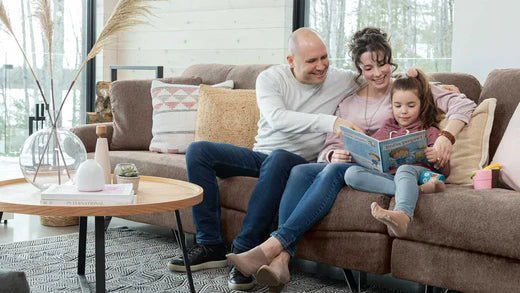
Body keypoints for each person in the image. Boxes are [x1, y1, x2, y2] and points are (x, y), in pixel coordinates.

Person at [226, 27, 476, 290]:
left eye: (383, 64)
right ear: (358, 70)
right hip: (354, 164)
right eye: (368, 68)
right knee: (301, 171)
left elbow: (463, 103)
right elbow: (330, 144)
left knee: (337, 171)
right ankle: (282, 259)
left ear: (391, 61)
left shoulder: (403, 90)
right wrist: (333, 154)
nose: (378, 73)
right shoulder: (347, 102)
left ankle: (274, 246)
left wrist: (446, 136)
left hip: (383, 171)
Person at [168, 27, 363, 291]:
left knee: (281, 158)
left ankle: (244, 252)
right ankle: (210, 244)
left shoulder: (341, 79)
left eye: (324, 57)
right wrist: (333, 122)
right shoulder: (270, 78)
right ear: (291, 61)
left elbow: (381, 78)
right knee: (198, 151)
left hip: (299, 164)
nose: (321, 66)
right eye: (312, 61)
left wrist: (414, 77)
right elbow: (276, 117)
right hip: (262, 156)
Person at [344, 67, 450, 238]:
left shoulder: (429, 131)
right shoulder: (387, 128)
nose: (403, 111)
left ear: (422, 104)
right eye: (397, 105)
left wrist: (436, 159)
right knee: (351, 174)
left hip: (417, 172)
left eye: (411, 105)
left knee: (404, 169)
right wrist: (358, 154)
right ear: (391, 105)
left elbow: (445, 171)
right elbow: (373, 151)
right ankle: (415, 190)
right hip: (390, 177)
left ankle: (403, 215)